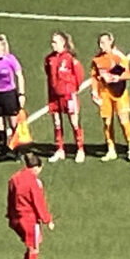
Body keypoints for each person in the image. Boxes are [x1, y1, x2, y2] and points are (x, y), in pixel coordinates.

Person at [6, 153, 54, 259]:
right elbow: (38, 203)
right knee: (33, 250)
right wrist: (47, 220)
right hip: (29, 220)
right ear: (37, 167)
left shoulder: (14, 178)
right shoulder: (34, 182)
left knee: (32, 247)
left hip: (16, 219)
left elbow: (10, 198)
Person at [89, 32, 130, 162]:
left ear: (111, 42)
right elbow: (94, 77)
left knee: (123, 120)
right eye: (100, 43)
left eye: (104, 42)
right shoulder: (97, 59)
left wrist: (116, 77)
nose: (101, 45)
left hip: (119, 93)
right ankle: (111, 149)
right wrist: (94, 92)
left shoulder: (118, 57)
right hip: (105, 93)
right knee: (107, 122)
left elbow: (128, 73)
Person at [43, 31, 86, 163]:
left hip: (68, 95)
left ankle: (80, 149)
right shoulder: (49, 58)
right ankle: (59, 149)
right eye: (52, 41)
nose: (52, 44)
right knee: (56, 123)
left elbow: (79, 75)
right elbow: (48, 74)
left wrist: (72, 89)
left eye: (55, 42)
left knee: (74, 122)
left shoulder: (70, 58)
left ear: (63, 43)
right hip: (53, 96)